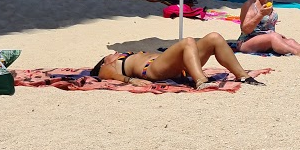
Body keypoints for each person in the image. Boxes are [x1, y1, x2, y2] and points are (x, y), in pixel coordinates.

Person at [89, 32, 262, 88]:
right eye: (109, 56)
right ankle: (201, 81)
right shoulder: (109, 65)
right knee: (188, 41)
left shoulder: (125, 55)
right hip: (151, 70)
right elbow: (105, 75)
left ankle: (243, 76)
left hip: (173, 64)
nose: (115, 54)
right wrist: (131, 80)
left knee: (214, 38)